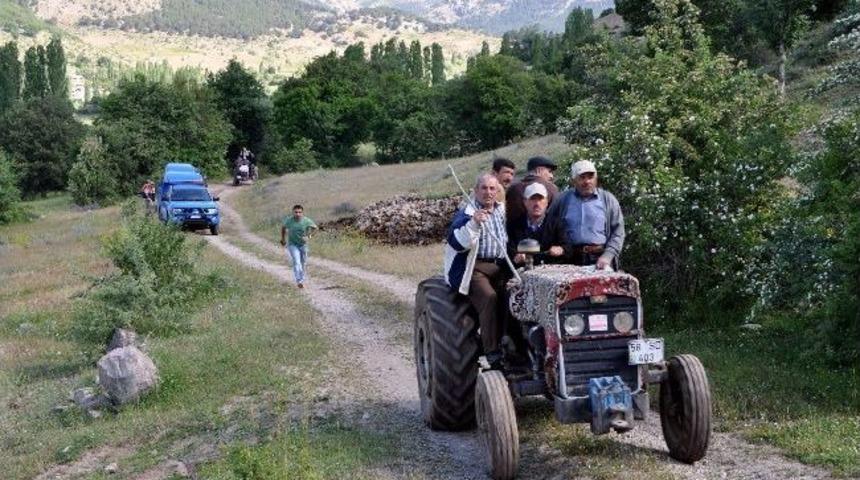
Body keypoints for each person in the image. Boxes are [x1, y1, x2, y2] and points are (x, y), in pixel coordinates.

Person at [444, 173, 510, 369]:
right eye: (484, 188)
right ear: (475, 191)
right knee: (488, 298)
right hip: (474, 268)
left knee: (517, 295)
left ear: (498, 191)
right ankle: (492, 353)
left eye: (492, 188)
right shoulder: (466, 214)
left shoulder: (502, 211)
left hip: (501, 266)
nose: (488, 193)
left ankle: (511, 344)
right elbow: (457, 243)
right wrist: (474, 223)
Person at [545, 160, 625, 269]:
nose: (587, 181)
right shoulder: (562, 200)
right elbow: (549, 226)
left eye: (590, 177)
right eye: (582, 177)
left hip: (600, 258)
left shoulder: (608, 200)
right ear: (573, 181)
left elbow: (618, 232)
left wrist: (608, 256)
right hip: (569, 259)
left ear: (596, 178)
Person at [507, 182, 564, 266]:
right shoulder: (513, 225)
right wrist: (516, 257)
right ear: (525, 202)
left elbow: (567, 248)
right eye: (533, 199)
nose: (537, 204)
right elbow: (510, 251)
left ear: (547, 202)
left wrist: (561, 249)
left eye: (540, 199)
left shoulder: (557, 223)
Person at [505, 155, 559, 226]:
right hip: (545, 235)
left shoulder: (512, 189)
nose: (551, 176)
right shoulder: (551, 188)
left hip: (514, 235)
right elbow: (556, 216)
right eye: (549, 171)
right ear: (539, 170)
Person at [280, 204, 318, 289]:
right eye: (296, 212)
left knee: (303, 263)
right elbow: (283, 228)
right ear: (293, 212)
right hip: (292, 244)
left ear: (302, 213)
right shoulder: (289, 220)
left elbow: (315, 228)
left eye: (299, 212)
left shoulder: (306, 221)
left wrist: (309, 236)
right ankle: (299, 281)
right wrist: (283, 239)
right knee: (297, 262)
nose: (297, 214)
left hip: (303, 245)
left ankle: (302, 279)